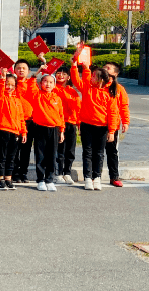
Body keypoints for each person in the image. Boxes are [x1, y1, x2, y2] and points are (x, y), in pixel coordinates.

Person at [70, 50, 120, 191]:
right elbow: (76, 79)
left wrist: (111, 131)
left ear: (102, 79)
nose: (91, 78)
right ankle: (87, 178)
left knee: (99, 153)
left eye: (94, 76)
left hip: (102, 128)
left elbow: (113, 113)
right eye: (91, 76)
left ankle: (96, 177)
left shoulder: (108, 94)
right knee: (87, 152)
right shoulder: (87, 89)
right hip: (86, 126)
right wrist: (76, 65)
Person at [28, 74, 65, 192]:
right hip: (40, 128)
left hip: (54, 129)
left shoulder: (57, 98)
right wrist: (36, 74)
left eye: (50, 82)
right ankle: (40, 180)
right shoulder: (37, 95)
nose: (47, 84)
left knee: (52, 155)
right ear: (40, 83)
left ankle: (49, 179)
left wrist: (62, 131)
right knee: (40, 155)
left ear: (54, 85)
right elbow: (31, 87)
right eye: (45, 81)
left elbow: (61, 115)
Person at [0, 73, 28, 191]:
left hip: (15, 132)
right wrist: (2, 79)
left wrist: (24, 132)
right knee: (1, 156)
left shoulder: (17, 100)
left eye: (12, 85)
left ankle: (8, 178)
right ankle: (0, 179)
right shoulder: (1, 97)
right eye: (7, 84)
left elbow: (21, 118)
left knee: (12, 157)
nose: (9, 87)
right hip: (2, 129)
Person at [9, 59, 39, 184]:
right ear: (14, 70)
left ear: (28, 71)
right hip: (15, 120)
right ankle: (14, 173)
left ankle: (23, 173)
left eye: (24, 68)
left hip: (29, 121)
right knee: (14, 148)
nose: (21, 70)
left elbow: (35, 96)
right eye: (19, 68)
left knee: (26, 149)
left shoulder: (32, 84)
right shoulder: (12, 84)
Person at [102, 62, 130, 188]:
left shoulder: (119, 89)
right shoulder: (97, 85)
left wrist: (125, 121)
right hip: (97, 124)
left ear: (115, 73)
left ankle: (114, 176)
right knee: (95, 152)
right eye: (104, 68)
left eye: (108, 68)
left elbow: (124, 106)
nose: (105, 70)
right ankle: (93, 176)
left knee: (112, 152)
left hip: (112, 125)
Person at [53, 68, 81, 185]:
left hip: (71, 123)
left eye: (64, 74)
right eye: (58, 73)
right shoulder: (53, 89)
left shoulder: (72, 91)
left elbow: (78, 108)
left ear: (69, 77)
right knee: (59, 150)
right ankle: (58, 173)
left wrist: (79, 123)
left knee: (70, 150)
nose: (61, 75)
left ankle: (67, 173)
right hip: (58, 123)